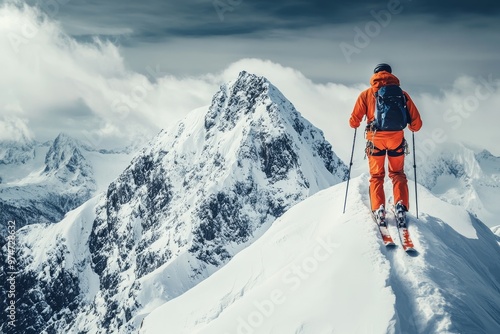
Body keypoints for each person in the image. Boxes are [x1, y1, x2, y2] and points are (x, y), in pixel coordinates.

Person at [349, 63, 422, 225]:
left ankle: (378, 209)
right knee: (397, 174)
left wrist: (357, 123)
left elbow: (353, 121)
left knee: (376, 176)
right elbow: (417, 124)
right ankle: (401, 206)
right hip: (396, 139)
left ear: (375, 75)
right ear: (391, 75)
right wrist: (409, 126)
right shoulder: (402, 94)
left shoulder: (366, 94)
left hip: (375, 140)